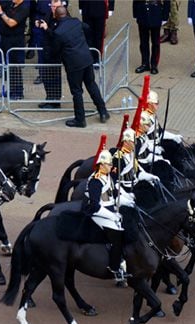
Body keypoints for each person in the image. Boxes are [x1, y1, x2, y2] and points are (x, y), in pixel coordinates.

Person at [39, 5, 109, 127]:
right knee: (92, 85)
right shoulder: (76, 21)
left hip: (73, 65)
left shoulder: (58, 32)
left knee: (76, 91)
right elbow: (87, 28)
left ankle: (80, 119)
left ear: (56, 16)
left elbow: (55, 50)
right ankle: (103, 111)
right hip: (86, 59)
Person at [82, 149, 131, 283]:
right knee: (117, 236)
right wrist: (112, 216)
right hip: (97, 213)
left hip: (110, 209)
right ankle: (114, 268)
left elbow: (115, 194)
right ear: (101, 165)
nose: (111, 166)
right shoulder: (95, 181)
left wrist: (130, 201)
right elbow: (95, 205)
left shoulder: (108, 176)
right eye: (109, 164)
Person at [0, 0, 31, 100]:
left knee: (15, 68)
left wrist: (0, 12)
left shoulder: (24, 7)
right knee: (9, 67)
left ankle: (18, 92)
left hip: (16, 42)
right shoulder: (12, 5)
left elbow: (11, 23)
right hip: (6, 40)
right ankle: (12, 89)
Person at [36, 0, 67, 109]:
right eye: (52, 6)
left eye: (56, 7)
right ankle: (49, 98)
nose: (54, 9)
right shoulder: (49, 14)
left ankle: (55, 101)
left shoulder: (63, 19)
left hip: (55, 53)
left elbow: (57, 36)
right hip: (46, 50)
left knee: (54, 78)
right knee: (46, 76)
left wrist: (46, 28)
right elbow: (43, 22)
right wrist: (39, 23)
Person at [133, 0, 170, 75]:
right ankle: (145, 63)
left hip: (155, 11)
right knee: (143, 42)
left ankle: (154, 65)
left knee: (155, 42)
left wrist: (165, 16)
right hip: (142, 11)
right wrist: (135, 13)